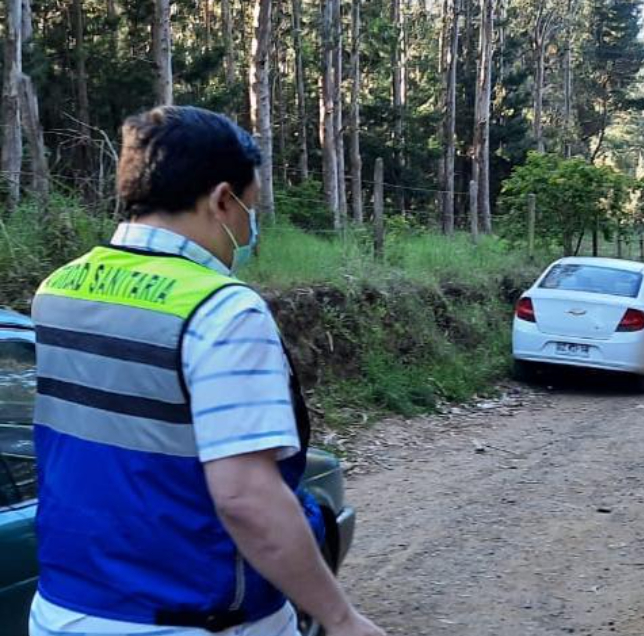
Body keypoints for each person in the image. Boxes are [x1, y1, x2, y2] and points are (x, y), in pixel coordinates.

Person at [29, 107, 385, 636]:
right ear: (222, 200)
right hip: (193, 614)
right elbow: (245, 497)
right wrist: (340, 618)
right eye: (250, 208)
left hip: (63, 608)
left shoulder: (60, 288)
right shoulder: (221, 310)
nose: (250, 226)